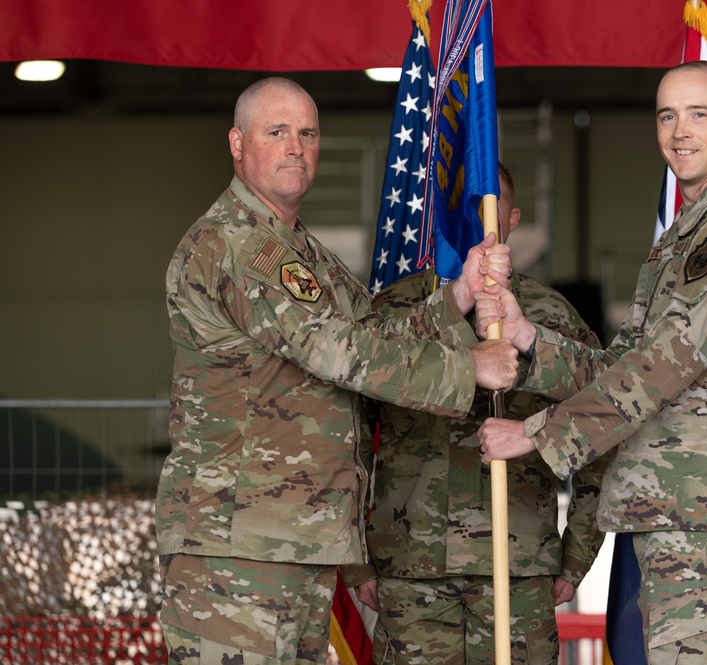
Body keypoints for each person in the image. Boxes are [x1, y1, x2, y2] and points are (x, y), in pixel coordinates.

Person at [156, 76, 518, 665]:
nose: (295, 146)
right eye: (277, 132)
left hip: (294, 540)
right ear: (237, 143)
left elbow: (369, 334)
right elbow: (334, 350)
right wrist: (465, 368)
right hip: (238, 546)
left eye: (308, 133)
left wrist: (458, 297)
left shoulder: (306, 255)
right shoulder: (236, 244)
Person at [476, 61, 707, 664]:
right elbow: (625, 361)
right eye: (667, 115)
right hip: (682, 511)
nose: (680, 130)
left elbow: (662, 367)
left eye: (698, 114)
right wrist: (528, 340)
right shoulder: (685, 237)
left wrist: (535, 434)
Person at [344, 163, 610, 665]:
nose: (480, 228)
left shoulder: (550, 317)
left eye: (491, 214)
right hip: (410, 569)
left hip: (518, 568)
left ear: (512, 220)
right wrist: (357, 561)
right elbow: (349, 434)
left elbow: (602, 424)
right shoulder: (395, 309)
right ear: (444, 220)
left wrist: (576, 556)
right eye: (467, 213)